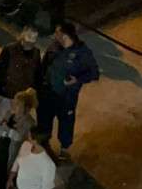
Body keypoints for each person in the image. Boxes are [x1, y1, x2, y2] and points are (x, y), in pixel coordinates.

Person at [37, 22, 100, 159]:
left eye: (57, 33)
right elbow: (43, 66)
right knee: (44, 119)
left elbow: (94, 73)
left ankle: (64, 149)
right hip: (48, 92)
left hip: (67, 97)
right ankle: (44, 145)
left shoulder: (82, 52)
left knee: (66, 122)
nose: (54, 35)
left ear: (65, 36)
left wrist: (77, 79)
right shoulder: (54, 47)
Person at [0, 26, 42, 124]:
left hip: (23, 98)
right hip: (8, 95)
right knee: (1, 120)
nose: (30, 44)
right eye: (28, 41)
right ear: (22, 37)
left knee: (19, 123)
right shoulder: (9, 50)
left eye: (32, 42)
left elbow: (37, 74)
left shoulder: (36, 53)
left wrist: (34, 92)